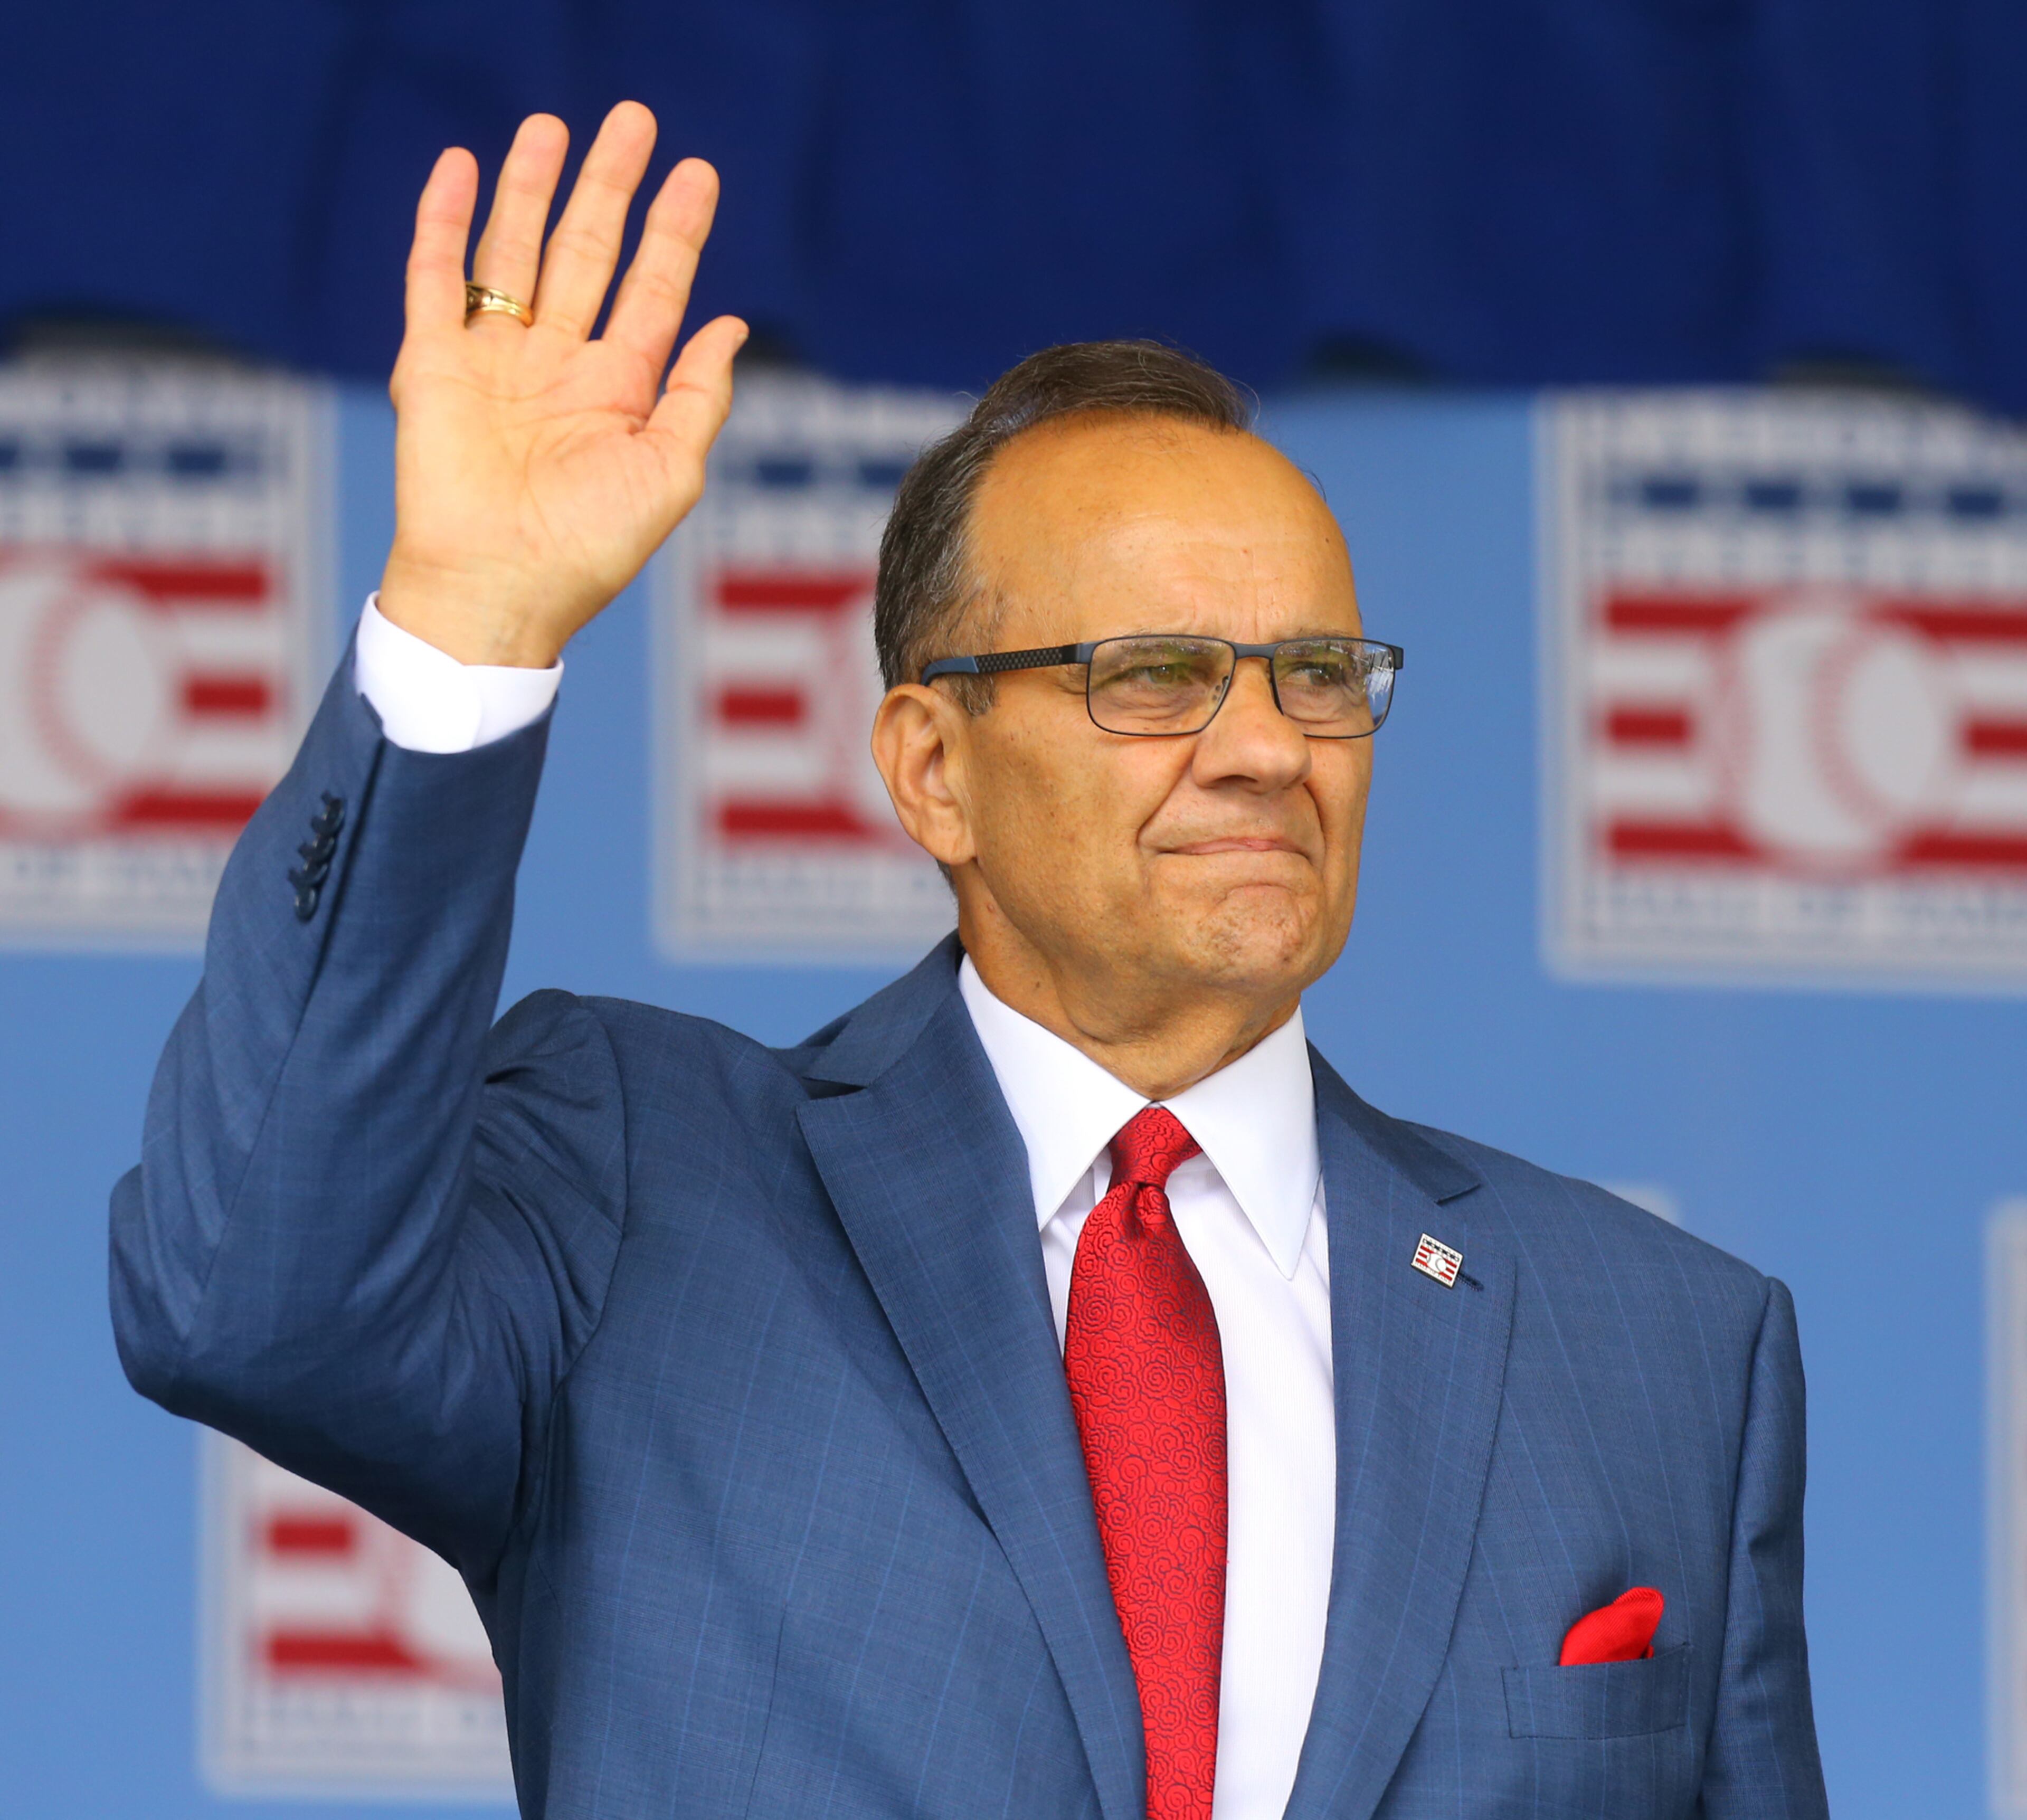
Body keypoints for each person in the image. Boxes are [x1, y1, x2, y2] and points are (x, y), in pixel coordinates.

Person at [110, 102, 1827, 1820]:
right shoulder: (648, 1185)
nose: (1264, 747)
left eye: (1316, 671)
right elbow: (245, 1298)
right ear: (934, 769)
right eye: (1153, 673)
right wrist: (466, 623)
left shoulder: (1666, 1344)